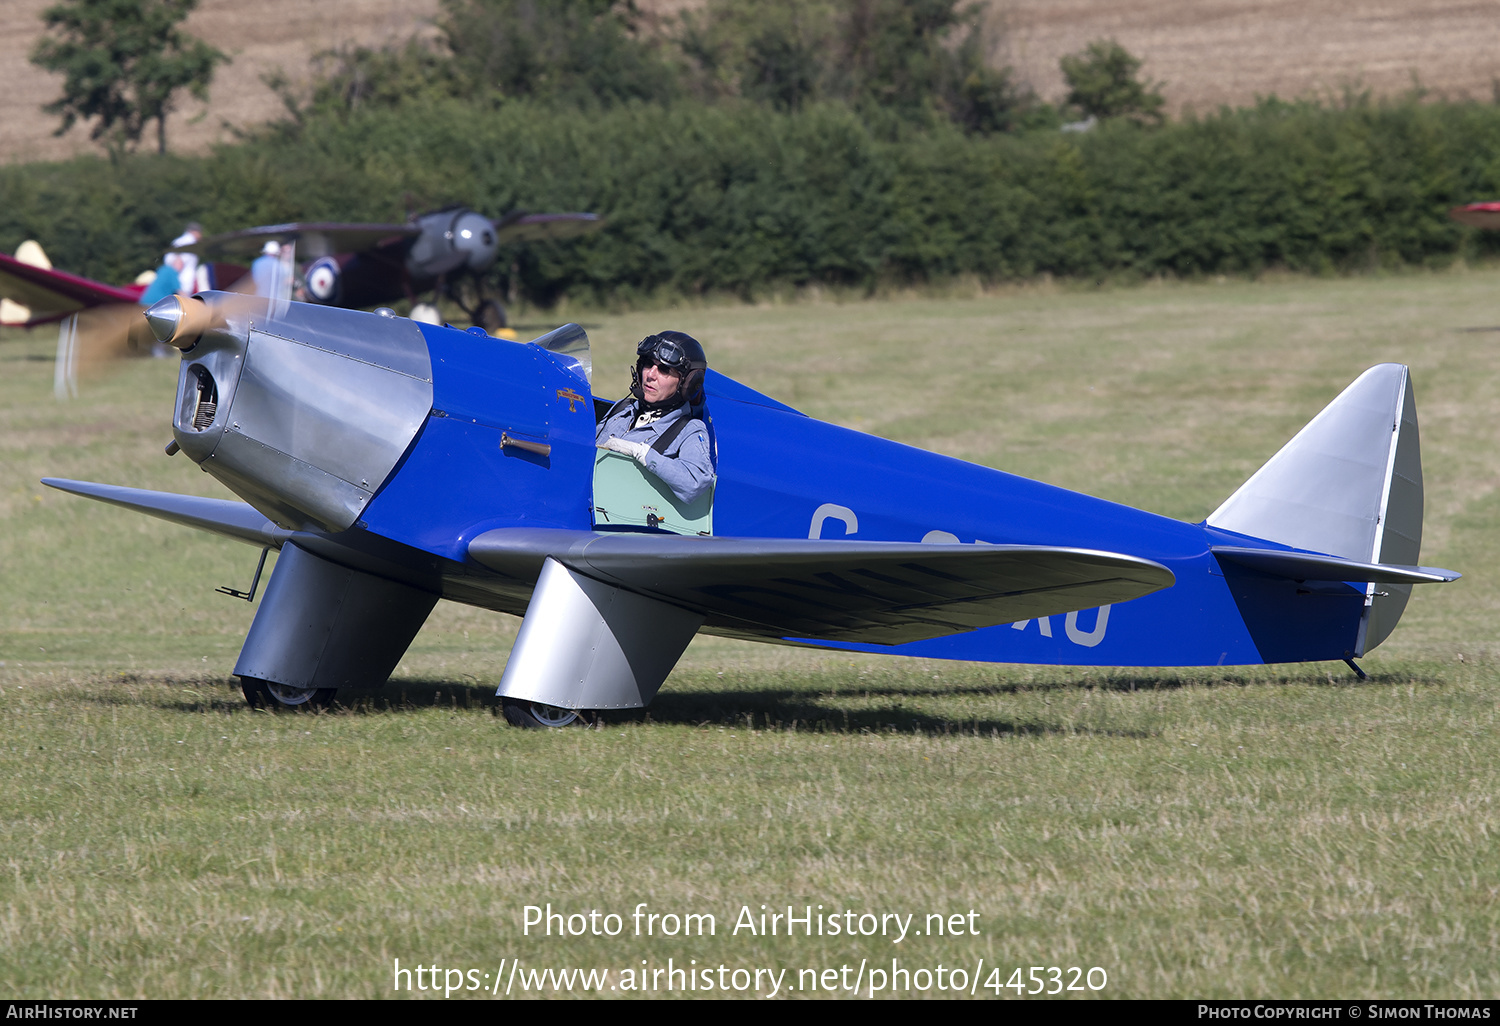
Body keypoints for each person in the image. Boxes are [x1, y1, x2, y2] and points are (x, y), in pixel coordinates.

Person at [596, 331, 716, 505]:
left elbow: (696, 483)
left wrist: (642, 453)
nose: (650, 375)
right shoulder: (622, 409)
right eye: (648, 364)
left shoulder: (689, 429)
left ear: (687, 384)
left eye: (664, 369)